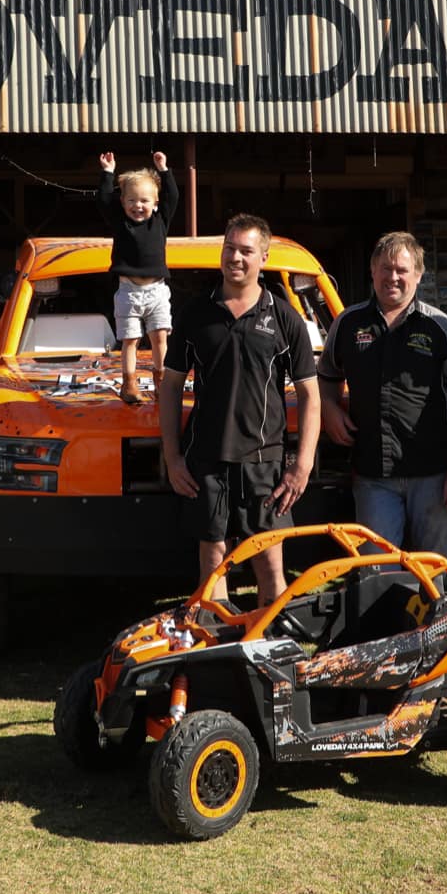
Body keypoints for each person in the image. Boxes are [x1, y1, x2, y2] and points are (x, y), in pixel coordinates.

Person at [158, 213, 321, 603]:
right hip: (205, 461)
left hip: (265, 463)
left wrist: (303, 465)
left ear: (263, 257)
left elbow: (312, 397)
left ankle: (272, 644)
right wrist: (173, 456)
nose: (235, 257)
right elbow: (170, 388)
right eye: (229, 248)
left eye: (246, 251)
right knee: (213, 560)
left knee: (269, 561)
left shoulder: (285, 319)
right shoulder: (195, 314)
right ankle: (214, 644)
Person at [318, 231, 447, 558]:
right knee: (377, 572)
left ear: (418, 275)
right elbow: (325, 378)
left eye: (402, 271)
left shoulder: (441, 328)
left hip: (434, 476)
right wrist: (328, 408)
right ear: (373, 270)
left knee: (435, 573)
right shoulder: (347, 324)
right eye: (386, 268)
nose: (393, 277)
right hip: (373, 476)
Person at [97, 150, 179, 403]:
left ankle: (161, 383)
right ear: (122, 202)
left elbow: (173, 196)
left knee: (159, 338)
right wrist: (107, 172)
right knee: (130, 340)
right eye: (131, 200)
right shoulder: (120, 223)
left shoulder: (161, 220)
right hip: (128, 291)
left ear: (156, 203)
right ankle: (129, 384)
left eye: (144, 200)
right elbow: (103, 199)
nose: (138, 206)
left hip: (156, 291)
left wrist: (164, 170)